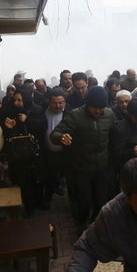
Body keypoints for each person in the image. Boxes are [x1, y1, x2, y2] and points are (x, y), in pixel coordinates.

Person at [50, 86, 116, 226]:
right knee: (84, 203)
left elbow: (116, 133)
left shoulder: (109, 114)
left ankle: (95, 226)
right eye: (94, 107)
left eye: (101, 108)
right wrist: (61, 138)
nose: (98, 111)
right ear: (87, 104)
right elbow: (54, 134)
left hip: (101, 168)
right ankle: (81, 225)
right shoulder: (76, 115)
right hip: (82, 168)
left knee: (101, 202)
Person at [0, 88, 46, 216]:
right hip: (18, 156)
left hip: (34, 154)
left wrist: (27, 120)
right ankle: (28, 208)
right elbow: (9, 136)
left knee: (36, 181)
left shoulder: (36, 110)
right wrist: (10, 128)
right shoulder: (10, 111)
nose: (17, 103)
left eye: (20, 100)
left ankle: (37, 203)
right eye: (15, 100)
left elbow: (42, 128)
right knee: (24, 183)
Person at [41, 88, 70, 210]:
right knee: (49, 177)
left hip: (65, 153)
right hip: (47, 152)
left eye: (61, 102)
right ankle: (47, 199)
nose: (58, 106)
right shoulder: (42, 111)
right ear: (49, 102)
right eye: (54, 103)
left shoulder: (70, 112)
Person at [109, 98, 137, 173]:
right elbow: (116, 155)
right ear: (129, 113)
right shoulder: (120, 129)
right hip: (132, 170)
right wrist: (132, 152)